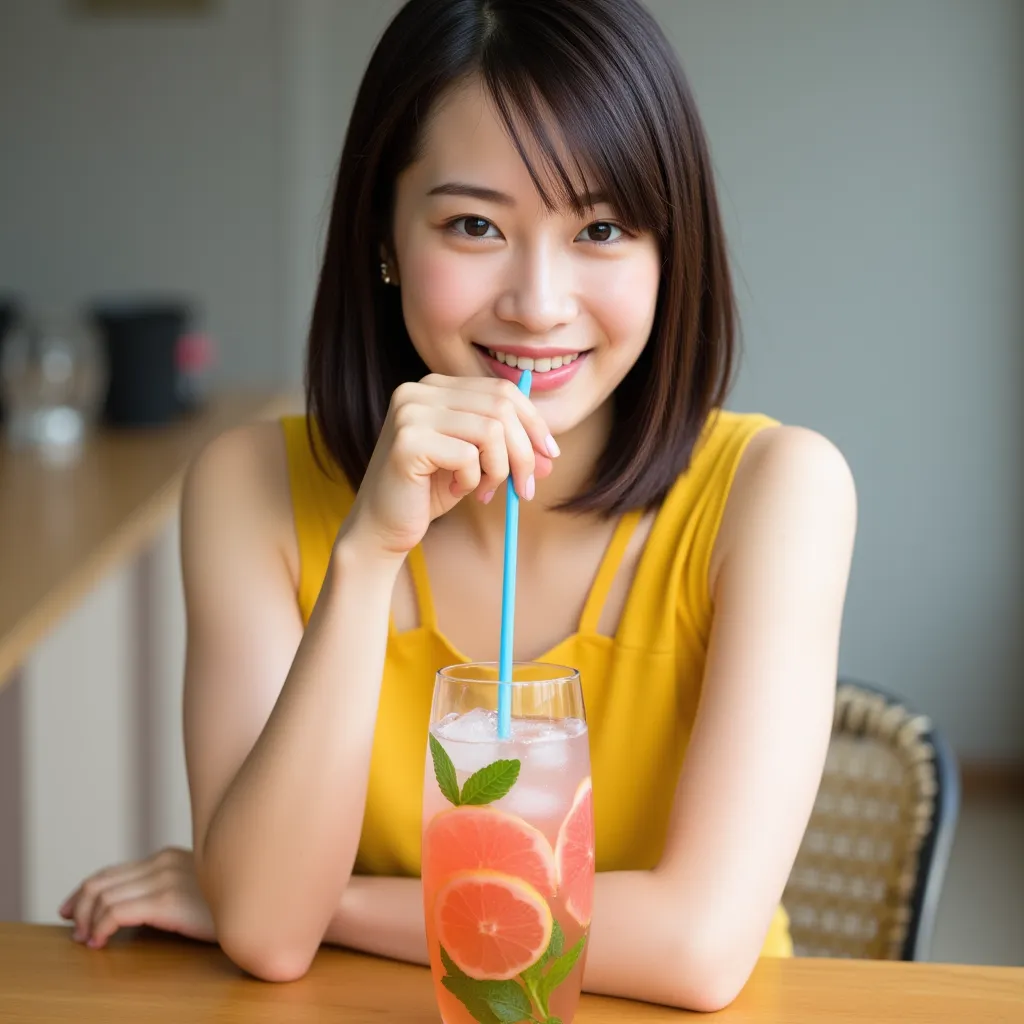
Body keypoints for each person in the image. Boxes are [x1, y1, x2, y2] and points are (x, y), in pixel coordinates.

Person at [60, 0, 856, 1011]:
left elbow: (698, 947)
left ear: (668, 253)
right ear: (384, 236)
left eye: (601, 228)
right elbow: (266, 934)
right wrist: (366, 555)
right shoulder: (248, 487)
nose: (537, 300)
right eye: (474, 224)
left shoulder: (778, 492)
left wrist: (329, 902)